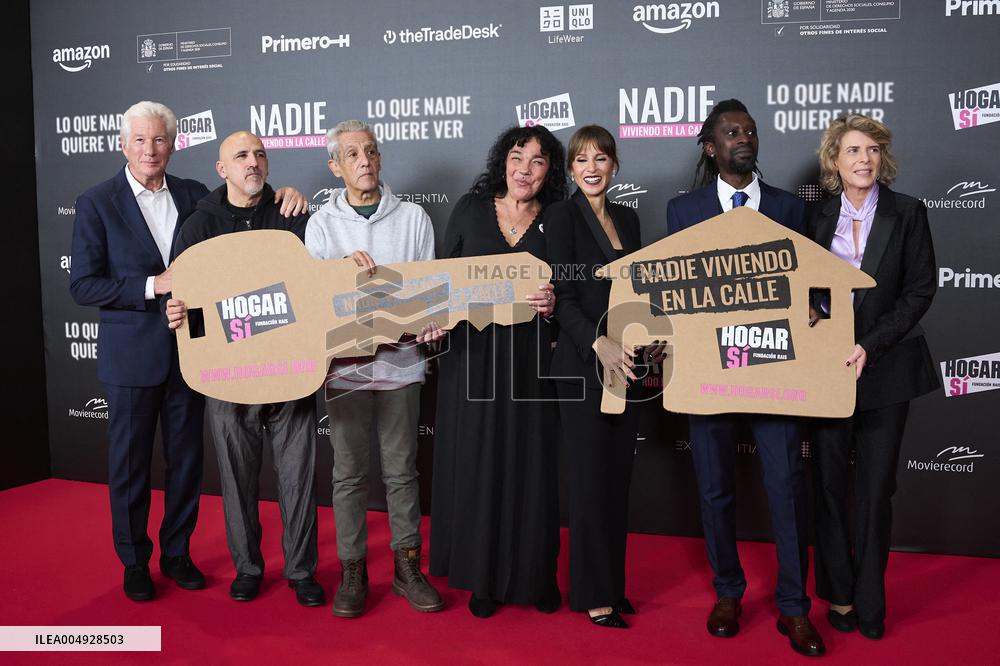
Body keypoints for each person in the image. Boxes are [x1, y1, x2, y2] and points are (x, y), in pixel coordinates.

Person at [69, 101, 306, 602]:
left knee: (186, 461)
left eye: (160, 140)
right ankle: (135, 560)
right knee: (131, 465)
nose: (151, 150)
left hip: (195, 352)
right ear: (123, 144)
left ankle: (177, 554)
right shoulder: (96, 201)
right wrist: (153, 286)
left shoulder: (195, 195)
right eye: (140, 140)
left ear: (173, 145)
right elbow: (84, 286)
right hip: (133, 357)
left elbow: (247, 200)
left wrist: (285, 193)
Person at [665, 99, 825, 656]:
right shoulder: (682, 210)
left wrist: (815, 307)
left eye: (751, 131)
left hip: (776, 369)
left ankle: (793, 608)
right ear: (710, 147)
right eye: (731, 131)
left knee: (785, 488)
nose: (744, 138)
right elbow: (674, 292)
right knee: (714, 489)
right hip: (708, 371)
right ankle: (728, 592)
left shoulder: (789, 208)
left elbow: (816, 286)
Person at [164, 131, 322, 607]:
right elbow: (186, 302)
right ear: (222, 169)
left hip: (289, 369)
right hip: (228, 378)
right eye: (240, 156)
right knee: (235, 477)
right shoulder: (197, 225)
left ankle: (300, 570)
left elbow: (315, 288)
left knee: (298, 477)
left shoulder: (293, 214)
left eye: (258, 154)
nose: (252, 162)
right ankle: (248, 567)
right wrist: (177, 314)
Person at [304, 119, 443, 618]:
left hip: (402, 367)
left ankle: (408, 567)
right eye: (352, 154)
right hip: (344, 371)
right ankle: (353, 569)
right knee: (348, 475)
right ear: (335, 166)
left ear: (380, 159)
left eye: (371, 152)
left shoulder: (413, 219)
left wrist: (432, 324)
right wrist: (343, 273)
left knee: (402, 471)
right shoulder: (320, 224)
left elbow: (431, 296)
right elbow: (314, 302)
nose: (364, 161)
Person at [808, 114, 938, 641]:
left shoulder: (908, 213)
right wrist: (820, 322)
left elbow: (920, 291)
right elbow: (804, 291)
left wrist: (870, 345)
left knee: (876, 489)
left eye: (873, 150)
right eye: (853, 150)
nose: (864, 159)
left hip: (887, 370)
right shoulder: (815, 220)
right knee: (829, 485)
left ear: (883, 158)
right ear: (834, 162)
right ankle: (839, 594)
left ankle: (870, 599)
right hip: (826, 372)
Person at [430, 125, 563, 619]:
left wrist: (553, 303)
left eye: (538, 161)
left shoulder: (559, 218)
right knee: (480, 465)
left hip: (533, 362)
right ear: (501, 161)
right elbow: (443, 281)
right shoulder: (469, 209)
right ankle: (482, 578)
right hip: (473, 358)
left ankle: (536, 578)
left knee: (534, 468)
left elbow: (574, 289)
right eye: (516, 156)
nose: (524, 169)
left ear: (550, 171)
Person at [544, 125, 643, 628]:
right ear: (570, 168)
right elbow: (562, 294)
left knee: (615, 480)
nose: (591, 168)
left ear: (614, 165)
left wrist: (639, 340)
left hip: (626, 365)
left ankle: (613, 584)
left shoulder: (629, 217)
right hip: (584, 365)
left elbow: (636, 294)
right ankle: (591, 592)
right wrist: (597, 342)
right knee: (587, 482)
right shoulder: (561, 216)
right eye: (581, 159)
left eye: (601, 158)